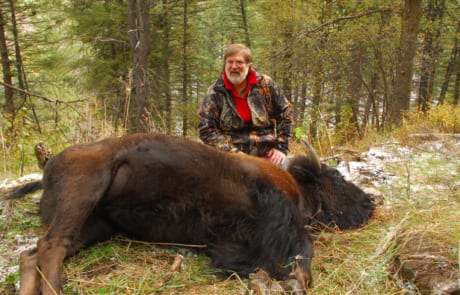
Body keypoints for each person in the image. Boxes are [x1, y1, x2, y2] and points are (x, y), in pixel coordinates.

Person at [198, 43, 293, 166]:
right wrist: (234, 153)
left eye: (239, 62)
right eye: (230, 62)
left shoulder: (266, 85)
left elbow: (286, 114)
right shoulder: (215, 92)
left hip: (266, 154)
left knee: (287, 178)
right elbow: (206, 130)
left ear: (249, 65)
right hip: (228, 157)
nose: (234, 66)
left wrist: (281, 148)